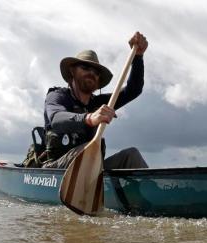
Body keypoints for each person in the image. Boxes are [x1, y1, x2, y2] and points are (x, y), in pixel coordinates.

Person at [41, 32, 149, 169]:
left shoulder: (98, 103)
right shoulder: (58, 96)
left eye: (96, 72)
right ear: (72, 71)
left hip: (91, 171)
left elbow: (133, 89)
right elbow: (56, 119)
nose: (92, 73)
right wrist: (90, 118)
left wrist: (138, 57)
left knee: (131, 155)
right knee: (88, 150)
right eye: (85, 68)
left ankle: (153, 190)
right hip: (56, 170)